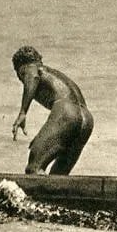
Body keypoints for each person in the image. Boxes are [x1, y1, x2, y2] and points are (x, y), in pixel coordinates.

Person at [11, 46, 94, 175]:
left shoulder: (30, 67)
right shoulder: (54, 74)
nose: (20, 78)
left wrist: (23, 112)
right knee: (59, 173)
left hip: (67, 112)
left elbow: (33, 77)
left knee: (34, 167)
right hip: (86, 119)